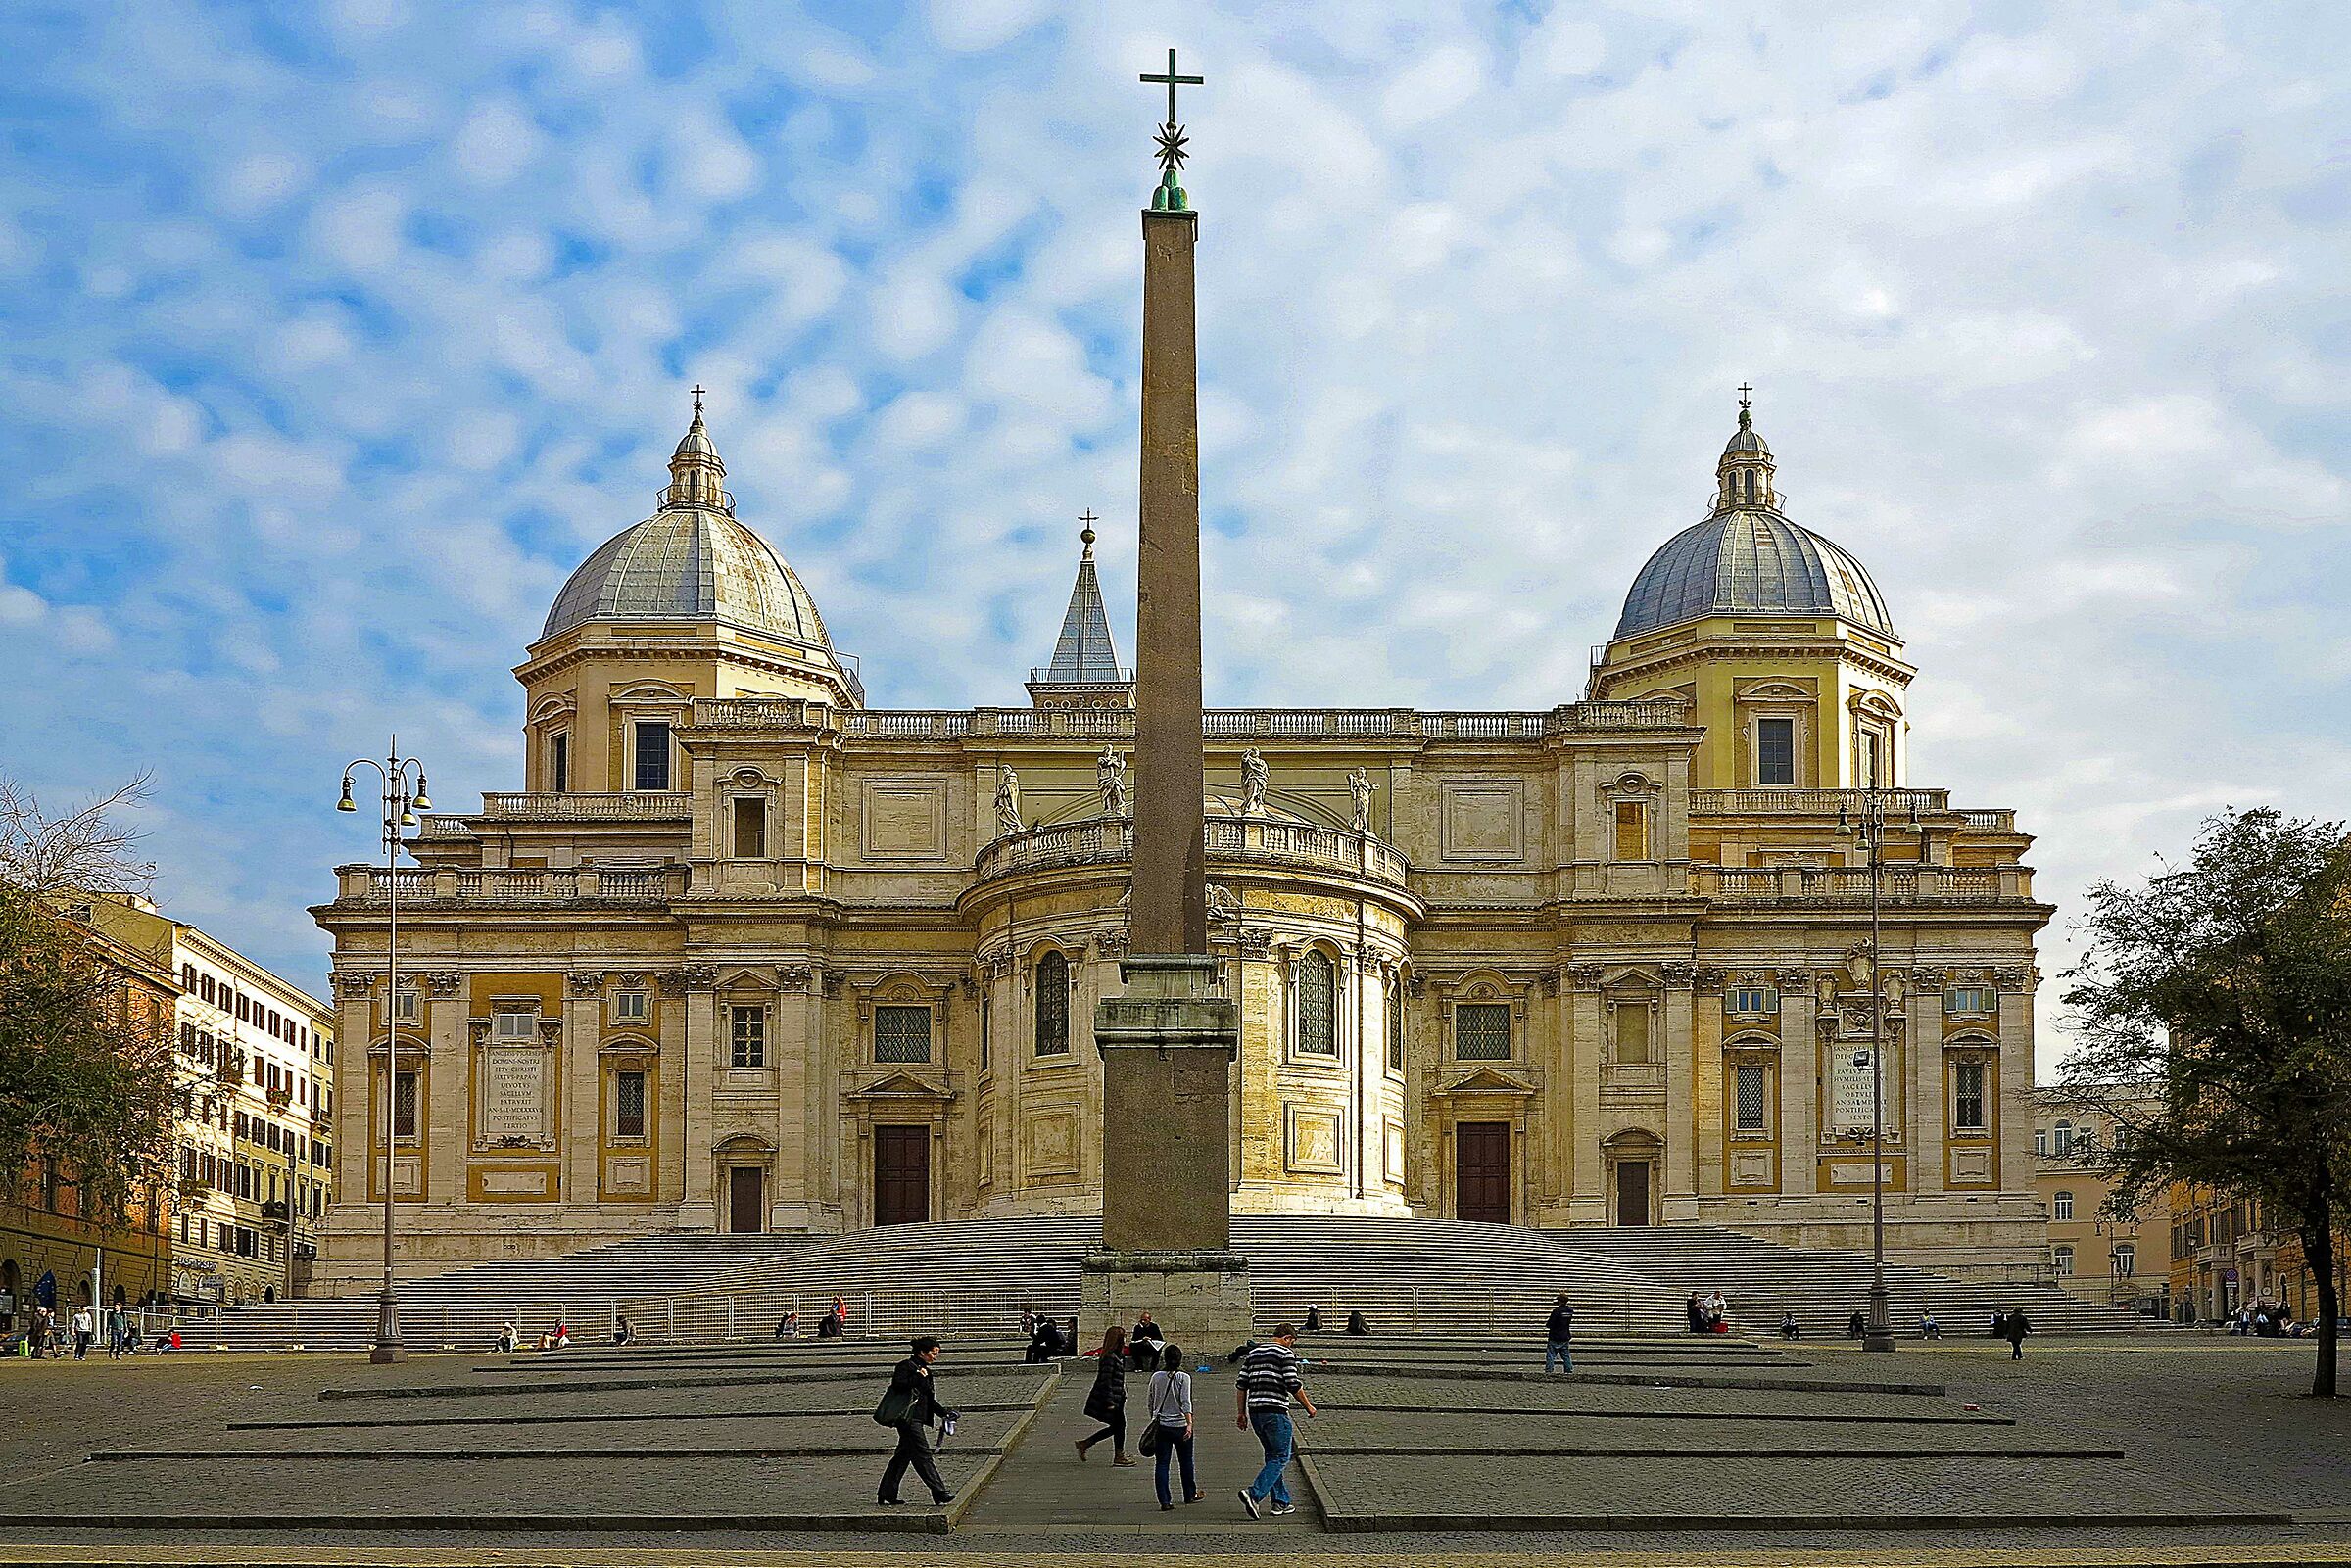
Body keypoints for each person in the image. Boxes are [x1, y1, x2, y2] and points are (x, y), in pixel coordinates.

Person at [1235, 1321, 1316, 1519]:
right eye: (1292, 1343)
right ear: (1288, 1338)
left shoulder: (1253, 1353)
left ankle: (1280, 1502)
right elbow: (1292, 1383)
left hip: (1255, 1412)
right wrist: (1308, 1406)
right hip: (1275, 1411)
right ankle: (1253, 1494)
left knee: (1272, 1456)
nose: (1291, 1347)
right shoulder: (1285, 1354)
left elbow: (1241, 1385)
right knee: (1281, 1456)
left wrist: (1241, 1413)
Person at [873, 1335, 957, 1507]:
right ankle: (939, 1491)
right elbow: (898, 1385)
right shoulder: (906, 1366)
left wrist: (944, 1413)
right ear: (922, 1352)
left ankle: (886, 1492)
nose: (935, 1357)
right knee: (923, 1454)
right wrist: (919, 1376)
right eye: (933, 1354)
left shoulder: (926, 1370)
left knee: (902, 1456)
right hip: (907, 1419)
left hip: (917, 1417)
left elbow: (927, 1398)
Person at [1145, 1342, 1202, 1510]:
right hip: (1180, 1425)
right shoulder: (1184, 1378)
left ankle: (1164, 1500)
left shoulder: (1156, 1377)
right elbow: (1186, 1403)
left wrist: (1154, 1417)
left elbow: (1150, 1401)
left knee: (1162, 1464)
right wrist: (1190, 1424)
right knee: (1186, 1461)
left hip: (1162, 1425)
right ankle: (1189, 1494)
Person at [1076, 1325, 1132, 1465]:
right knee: (1119, 1426)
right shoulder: (1109, 1358)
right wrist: (1110, 1401)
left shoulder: (1117, 1356)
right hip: (1111, 1398)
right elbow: (1105, 1381)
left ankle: (1086, 1444)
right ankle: (1118, 1455)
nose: (1125, 1340)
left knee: (1117, 1426)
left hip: (1117, 1397)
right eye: (1123, 1337)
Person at [1545, 1293, 1574, 1373]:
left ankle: (1549, 1370)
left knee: (1551, 1355)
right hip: (1565, 1335)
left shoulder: (1556, 1311)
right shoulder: (1570, 1311)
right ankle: (1569, 1370)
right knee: (1566, 1355)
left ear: (1560, 1301)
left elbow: (1549, 1324)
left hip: (1555, 1336)